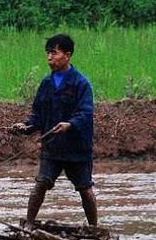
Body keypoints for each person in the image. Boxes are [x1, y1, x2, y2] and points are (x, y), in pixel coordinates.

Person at [11, 34, 97, 228]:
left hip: (77, 149)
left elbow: (86, 112)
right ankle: (29, 225)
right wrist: (26, 126)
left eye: (54, 53)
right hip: (52, 148)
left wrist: (70, 124)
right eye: (48, 53)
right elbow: (38, 114)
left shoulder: (80, 83)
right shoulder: (46, 84)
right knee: (41, 183)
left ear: (67, 55)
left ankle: (94, 228)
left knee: (85, 188)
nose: (49, 57)